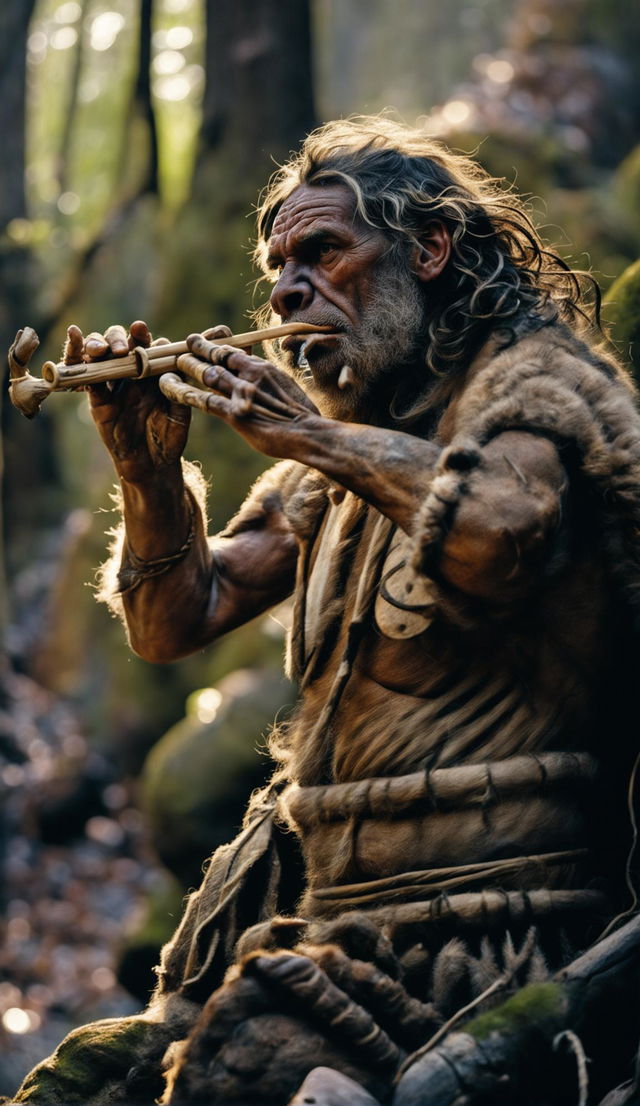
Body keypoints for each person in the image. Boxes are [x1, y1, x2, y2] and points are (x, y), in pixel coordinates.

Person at [12, 116, 640, 1106]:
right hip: (323, 926)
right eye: (276, 268)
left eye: (322, 253)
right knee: (78, 1083)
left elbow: (501, 530)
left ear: (429, 249)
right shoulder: (345, 452)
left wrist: (306, 433)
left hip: (492, 942)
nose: (288, 290)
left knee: (241, 1073)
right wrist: (147, 470)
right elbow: (176, 618)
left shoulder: (539, 387)